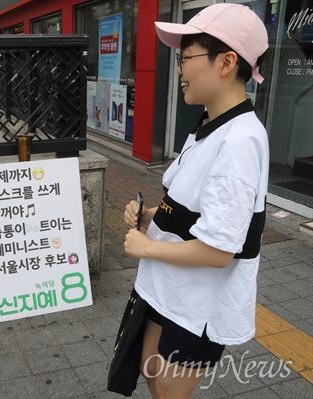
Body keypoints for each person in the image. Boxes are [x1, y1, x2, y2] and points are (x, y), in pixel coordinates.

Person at [122, 4, 269, 398]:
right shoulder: (209, 124)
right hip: (171, 289)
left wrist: (148, 246)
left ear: (226, 62)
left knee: (169, 390)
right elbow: (198, 211)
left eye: (186, 58)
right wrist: (152, 215)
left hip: (198, 304)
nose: (180, 69)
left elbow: (220, 250)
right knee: (150, 372)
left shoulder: (239, 141)